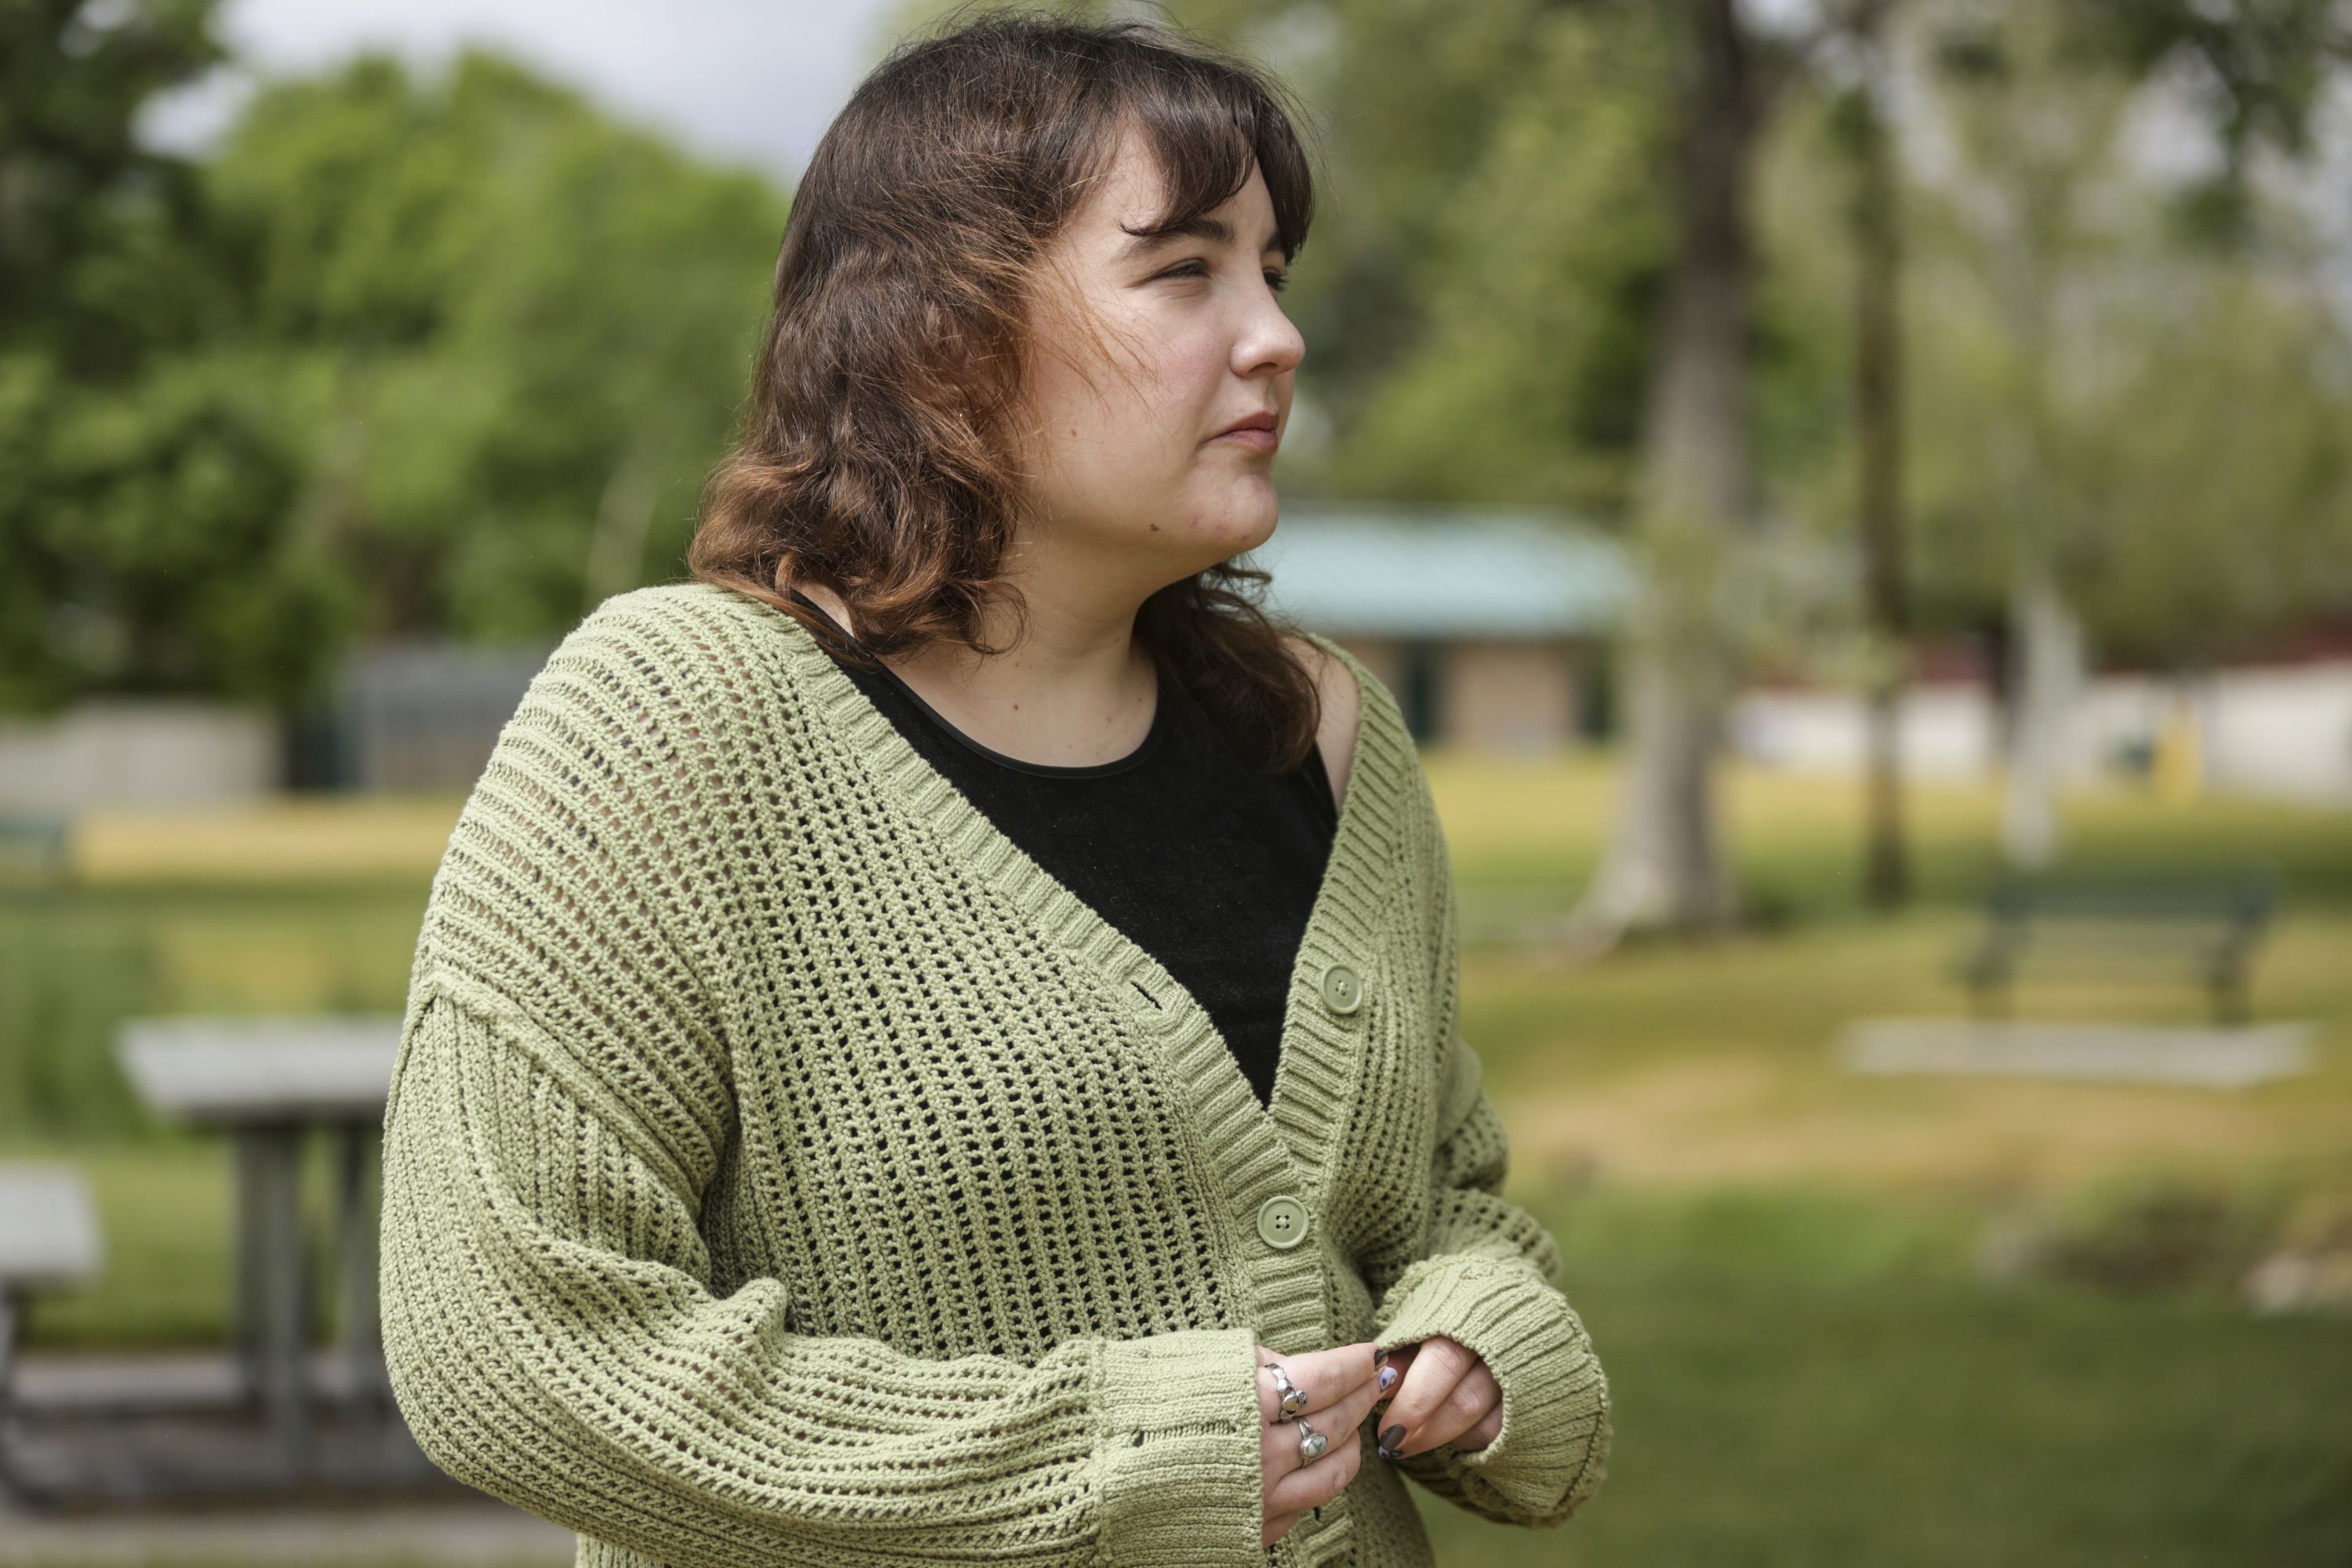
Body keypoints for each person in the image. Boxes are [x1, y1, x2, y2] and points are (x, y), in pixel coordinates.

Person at [375, 9, 1610, 1566]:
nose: (1276, 335)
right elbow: (505, 1346)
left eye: (1274, 273)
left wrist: (1476, 1332)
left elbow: (1441, 1206)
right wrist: (1106, 1460)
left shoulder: (1333, 738)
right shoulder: (677, 721)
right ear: (943, 334)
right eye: (1186, 270)